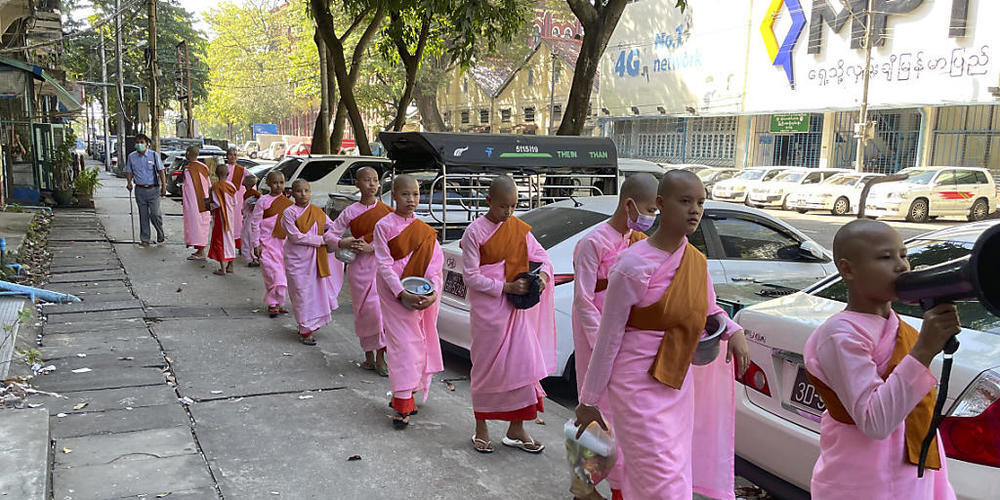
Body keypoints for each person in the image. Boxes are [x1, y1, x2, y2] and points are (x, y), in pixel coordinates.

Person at [574, 170, 750, 499]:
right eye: (685, 201)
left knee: (672, 472)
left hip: (675, 381)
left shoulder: (695, 261)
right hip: (636, 385)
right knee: (660, 478)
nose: (694, 210)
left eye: (700, 203)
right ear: (660, 203)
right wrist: (589, 400)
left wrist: (733, 330)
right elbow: (608, 339)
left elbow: (708, 308)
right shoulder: (632, 264)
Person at [803, 219, 957, 500]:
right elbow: (875, 422)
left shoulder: (899, 326)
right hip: (864, 480)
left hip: (912, 472)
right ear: (847, 269)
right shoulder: (840, 335)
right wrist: (924, 350)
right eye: (886, 257)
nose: (901, 266)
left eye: (903, 255)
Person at [570, 173, 657, 497]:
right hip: (597, 340)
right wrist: (603, 347)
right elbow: (583, 299)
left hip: (626, 340)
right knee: (595, 413)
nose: (652, 217)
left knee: (623, 418)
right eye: (650, 210)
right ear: (629, 204)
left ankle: (620, 486)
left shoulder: (640, 242)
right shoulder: (593, 242)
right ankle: (583, 485)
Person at [461, 175, 554, 454]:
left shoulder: (519, 229)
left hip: (516, 313)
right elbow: (470, 277)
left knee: (523, 367)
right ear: (489, 201)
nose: (509, 212)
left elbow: (543, 258)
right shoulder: (474, 232)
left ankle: (516, 429)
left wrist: (542, 279)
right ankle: (481, 427)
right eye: (503, 206)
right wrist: (505, 287)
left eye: (514, 206)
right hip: (489, 315)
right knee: (486, 369)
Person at [374, 174, 444, 429]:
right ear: (394, 195)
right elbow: (383, 263)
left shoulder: (425, 232)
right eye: (405, 194)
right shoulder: (383, 226)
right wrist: (400, 292)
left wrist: (432, 293)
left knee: (418, 343)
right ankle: (403, 403)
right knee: (402, 345)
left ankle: (408, 392)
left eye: (415, 194)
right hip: (394, 295)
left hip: (421, 295)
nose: (411, 200)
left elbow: (435, 267)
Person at [331, 167, 391, 376]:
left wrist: (372, 248)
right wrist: (344, 242)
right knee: (364, 313)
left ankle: (381, 357)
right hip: (358, 270)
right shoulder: (350, 211)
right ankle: (368, 355)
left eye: (375, 180)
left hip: (381, 268)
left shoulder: (386, 211)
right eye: (367, 180)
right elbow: (330, 236)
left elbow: (395, 241)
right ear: (357, 184)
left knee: (379, 314)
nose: (372, 184)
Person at [280, 179, 343, 345]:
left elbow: (332, 227)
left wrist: (338, 236)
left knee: (315, 292)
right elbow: (295, 237)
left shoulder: (317, 211)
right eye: (299, 191)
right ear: (292, 193)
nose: (303, 194)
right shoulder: (289, 213)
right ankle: (304, 326)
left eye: (306, 190)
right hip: (297, 260)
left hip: (316, 258)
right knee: (301, 293)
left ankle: (308, 326)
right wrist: (321, 240)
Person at [249, 170, 293, 318]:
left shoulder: (288, 203)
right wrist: (255, 243)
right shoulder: (263, 201)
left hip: (283, 244)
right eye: (275, 182)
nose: (278, 186)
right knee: (272, 274)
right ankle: (272, 303)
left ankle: (278, 303)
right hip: (266, 243)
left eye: (281, 182)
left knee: (282, 275)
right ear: (268, 183)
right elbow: (255, 223)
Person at [124, 134, 167, 247]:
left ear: (147, 144)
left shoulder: (154, 155)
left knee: (155, 214)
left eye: (142, 142)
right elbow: (129, 171)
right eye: (137, 142)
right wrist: (129, 182)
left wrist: (164, 186)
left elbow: (161, 170)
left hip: (153, 189)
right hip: (140, 190)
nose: (139, 145)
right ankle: (145, 239)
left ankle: (160, 232)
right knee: (143, 215)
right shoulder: (131, 157)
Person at [208, 163, 238, 276]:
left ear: (216, 174)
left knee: (220, 240)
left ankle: (222, 268)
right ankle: (231, 265)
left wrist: (208, 206)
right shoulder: (232, 186)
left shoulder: (216, 187)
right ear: (228, 173)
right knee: (230, 239)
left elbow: (216, 204)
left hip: (221, 217)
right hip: (230, 216)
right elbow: (235, 202)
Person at [181, 145, 211, 261]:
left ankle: (201, 251)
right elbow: (209, 184)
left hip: (194, 203)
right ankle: (200, 250)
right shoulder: (204, 167)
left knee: (196, 225)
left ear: (188, 154)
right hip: (204, 200)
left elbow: (188, 188)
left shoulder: (188, 170)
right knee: (202, 225)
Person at [224, 147, 248, 254]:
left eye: (235, 155)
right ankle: (228, 248)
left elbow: (253, 180)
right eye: (230, 154)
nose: (233, 157)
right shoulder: (223, 169)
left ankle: (240, 246)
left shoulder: (242, 170)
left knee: (238, 224)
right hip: (226, 201)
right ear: (227, 156)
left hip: (238, 202)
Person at [240, 174, 261, 267]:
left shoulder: (253, 193)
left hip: (250, 218)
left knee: (249, 237)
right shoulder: (249, 193)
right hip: (249, 217)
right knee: (248, 237)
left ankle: (254, 257)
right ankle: (253, 257)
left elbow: (257, 203)